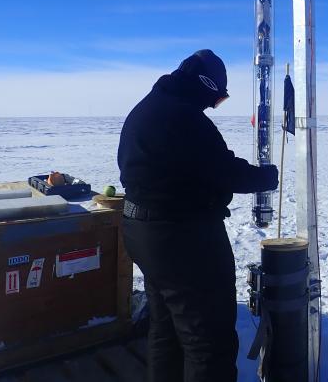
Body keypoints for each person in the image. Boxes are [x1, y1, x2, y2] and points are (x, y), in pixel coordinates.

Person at [118, 49, 278, 382]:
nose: (212, 105)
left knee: (167, 330)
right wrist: (265, 177)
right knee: (208, 341)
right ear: (203, 84)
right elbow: (223, 170)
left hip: (145, 234)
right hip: (181, 240)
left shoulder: (149, 108)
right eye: (216, 98)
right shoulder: (182, 118)